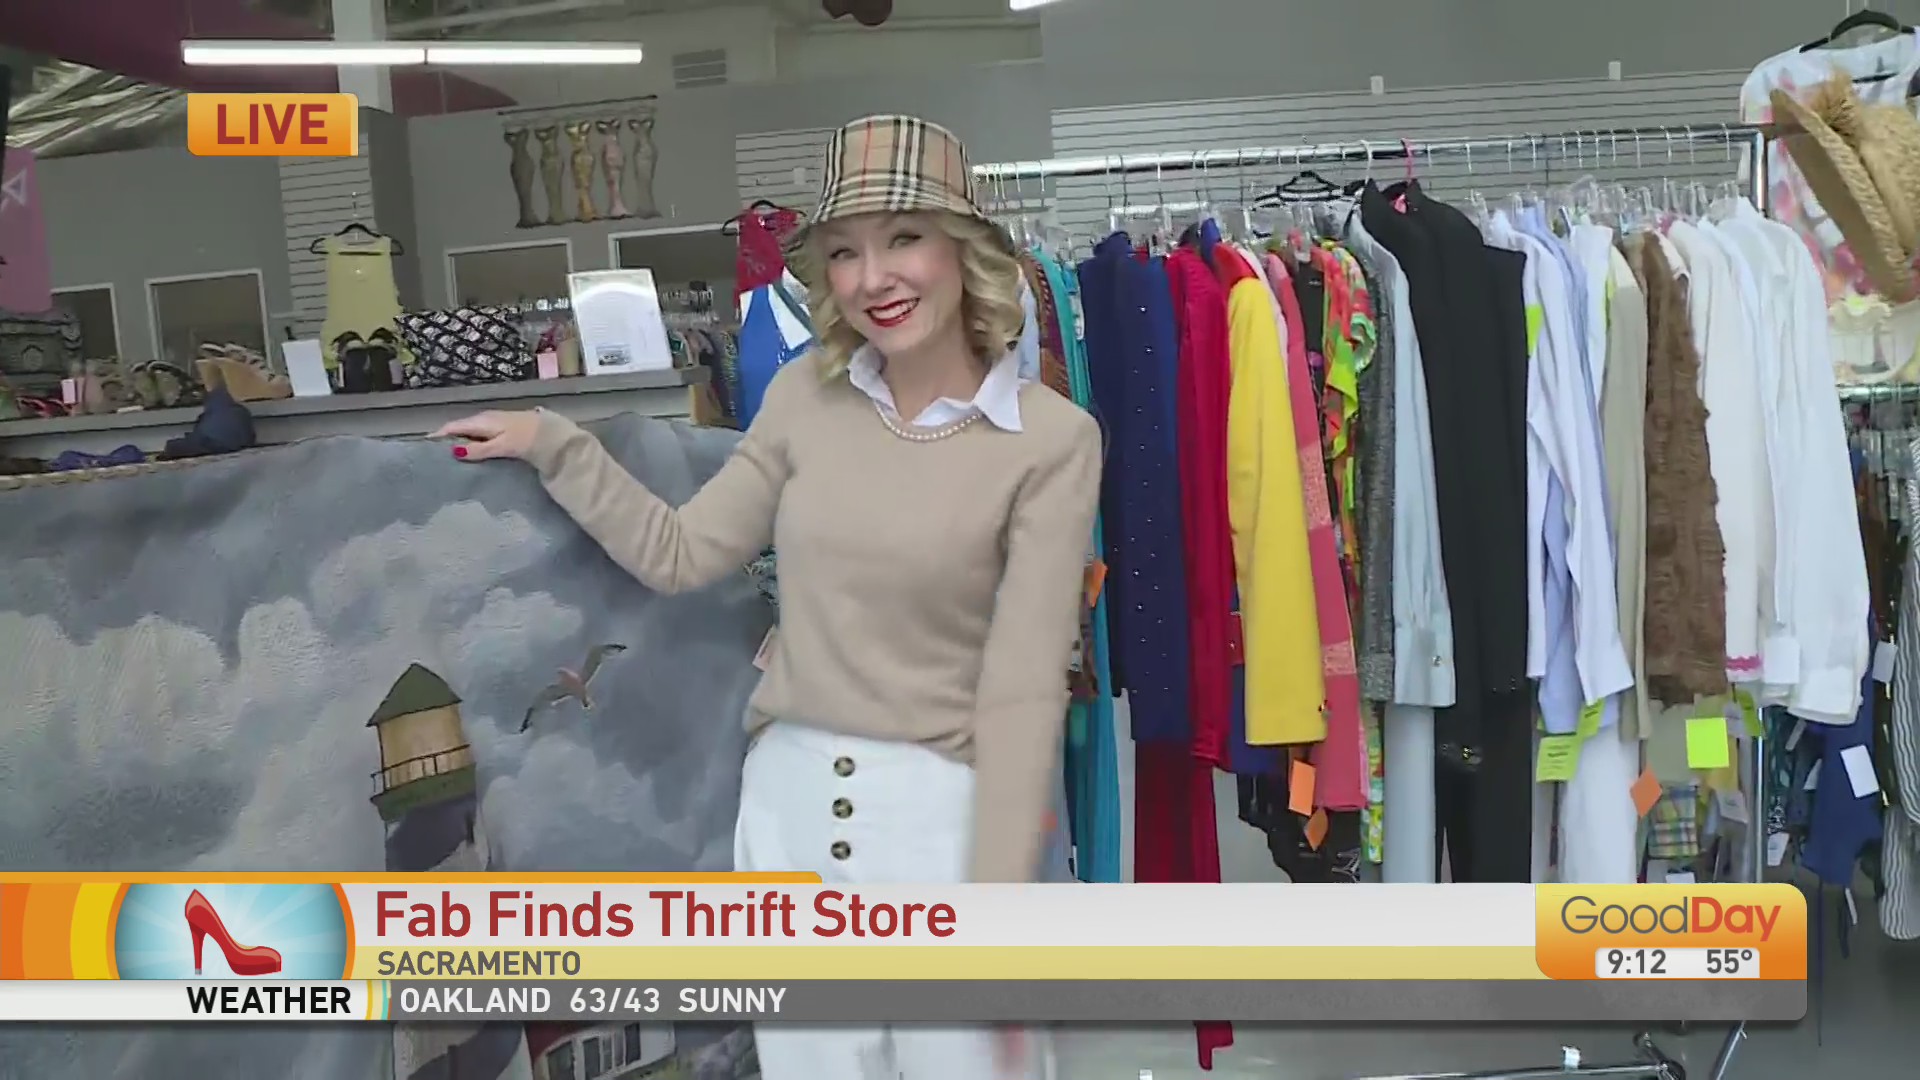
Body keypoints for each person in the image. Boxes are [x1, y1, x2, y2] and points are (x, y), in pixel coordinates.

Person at [433, 114, 1102, 1080]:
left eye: (904, 237)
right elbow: (679, 552)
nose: (873, 277)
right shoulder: (801, 398)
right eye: (845, 251)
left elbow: (1027, 684)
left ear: (965, 249)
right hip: (791, 811)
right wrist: (555, 442)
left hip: (945, 823)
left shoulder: (1052, 439)